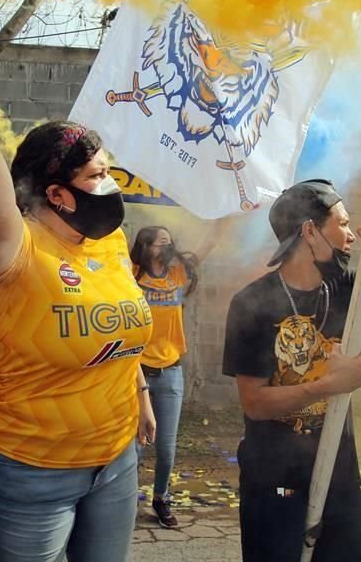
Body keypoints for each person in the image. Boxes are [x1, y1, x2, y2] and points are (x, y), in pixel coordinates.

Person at [0, 36, 156, 562]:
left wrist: (143, 395)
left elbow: (120, 328)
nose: (111, 183)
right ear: (57, 193)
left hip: (116, 459)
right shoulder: (15, 244)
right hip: (35, 466)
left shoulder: (110, 241)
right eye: (98, 175)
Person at [222, 179, 361, 562]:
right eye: (342, 224)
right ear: (310, 231)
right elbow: (255, 403)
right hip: (275, 484)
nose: (350, 236)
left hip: (339, 477)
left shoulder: (346, 287)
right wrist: (329, 385)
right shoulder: (252, 304)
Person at [129, 221, 227, 528]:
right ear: (145, 247)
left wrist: (221, 222)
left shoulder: (176, 274)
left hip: (170, 371)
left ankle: (161, 498)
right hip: (135, 372)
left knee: (166, 446)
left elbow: (205, 248)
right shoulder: (132, 274)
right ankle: (128, 500)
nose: (167, 247)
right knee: (133, 445)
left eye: (170, 241)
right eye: (161, 242)